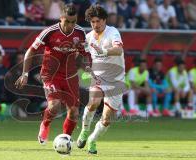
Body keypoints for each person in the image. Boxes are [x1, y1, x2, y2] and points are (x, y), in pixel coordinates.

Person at [15, 4, 90, 145]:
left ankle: (65, 140)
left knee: (74, 112)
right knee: (54, 106)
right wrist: (25, 73)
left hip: (70, 76)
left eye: (73, 22)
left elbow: (84, 54)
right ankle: (45, 125)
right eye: (67, 21)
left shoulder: (80, 33)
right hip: (51, 74)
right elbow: (30, 51)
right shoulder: (49, 31)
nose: (70, 25)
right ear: (61, 18)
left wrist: (88, 67)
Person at [76, 5, 126, 154]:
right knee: (93, 103)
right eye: (92, 22)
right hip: (98, 76)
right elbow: (82, 54)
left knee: (106, 119)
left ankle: (92, 139)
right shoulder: (89, 37)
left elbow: (119, 50)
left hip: (116, 79)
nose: (95, 25)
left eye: (98, 21)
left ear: (104, 20)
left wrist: (104, 51)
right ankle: (84, 131)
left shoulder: (113, 32)